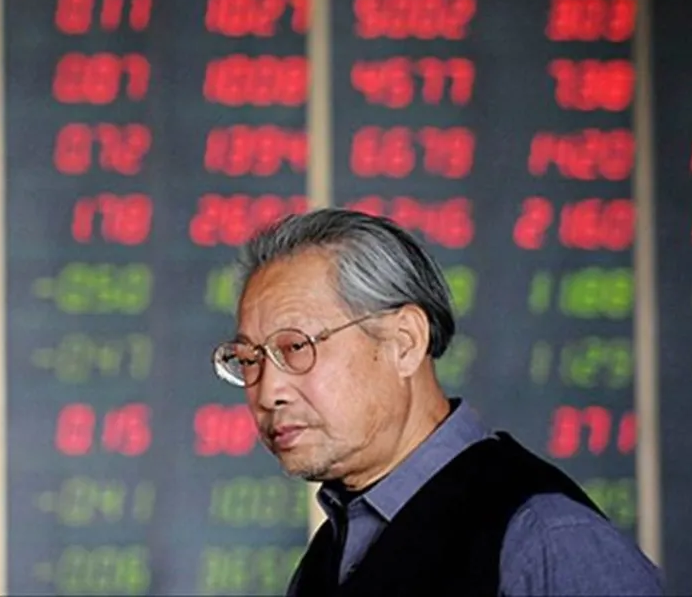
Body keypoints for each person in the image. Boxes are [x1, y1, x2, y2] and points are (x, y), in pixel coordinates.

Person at [211, 208, 663, 596]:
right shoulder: (328, 557)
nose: (268, 392)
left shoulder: (543, 538)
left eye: (295, 347)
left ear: (405, 341)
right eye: (249, 360)